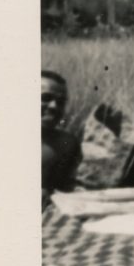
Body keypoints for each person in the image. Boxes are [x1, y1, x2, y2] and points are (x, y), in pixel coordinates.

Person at [41, 70, 81, 199]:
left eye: (60, 102)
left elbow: (69, 187)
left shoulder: (67, 144)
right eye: (45, 98)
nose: (54, 106)